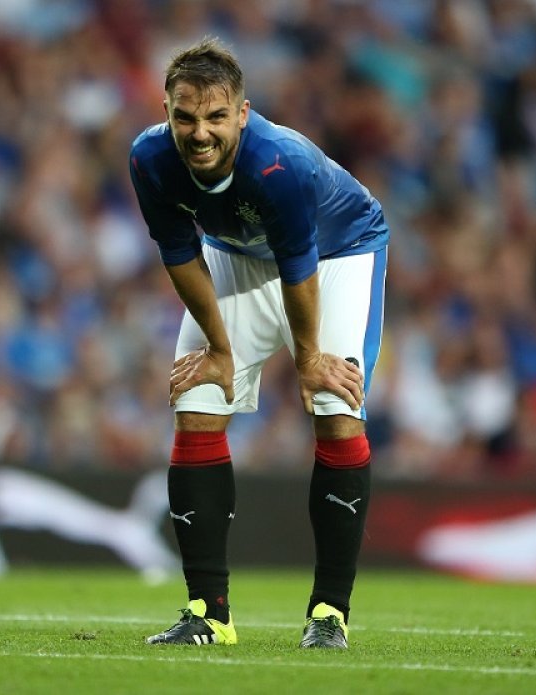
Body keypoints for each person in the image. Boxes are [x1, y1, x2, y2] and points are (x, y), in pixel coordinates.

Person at [128, 37, 389, 649]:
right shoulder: (148, 158)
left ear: (242, 114)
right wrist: (219, 351)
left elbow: (299, 266)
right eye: (185, 117)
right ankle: (209, 614)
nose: (200, 133)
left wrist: (309, 360)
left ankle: (329, 614)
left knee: (336, 407)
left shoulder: (278, 163)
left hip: (338, 253)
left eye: (216, 117)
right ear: (166, 111)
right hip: (234, 253)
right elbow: (180, 255)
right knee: (196, 403)